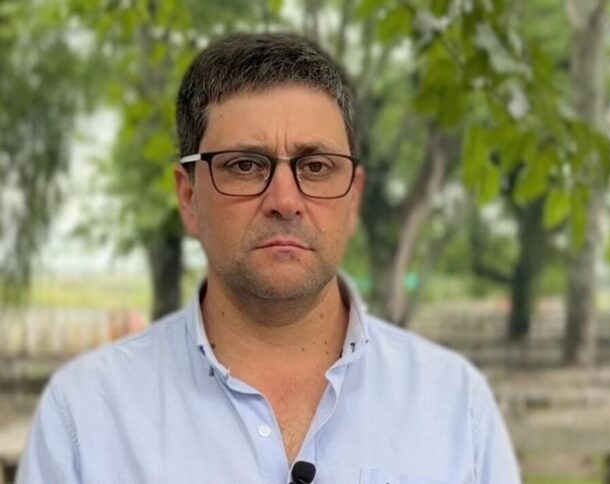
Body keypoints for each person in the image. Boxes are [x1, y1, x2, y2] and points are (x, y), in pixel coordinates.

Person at [17, 33, 521, 484]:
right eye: (245, 165)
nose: (285, 199)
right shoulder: (87, 417)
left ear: (353, 198)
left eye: (316, 166)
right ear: (189, 198)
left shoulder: (456, 407)